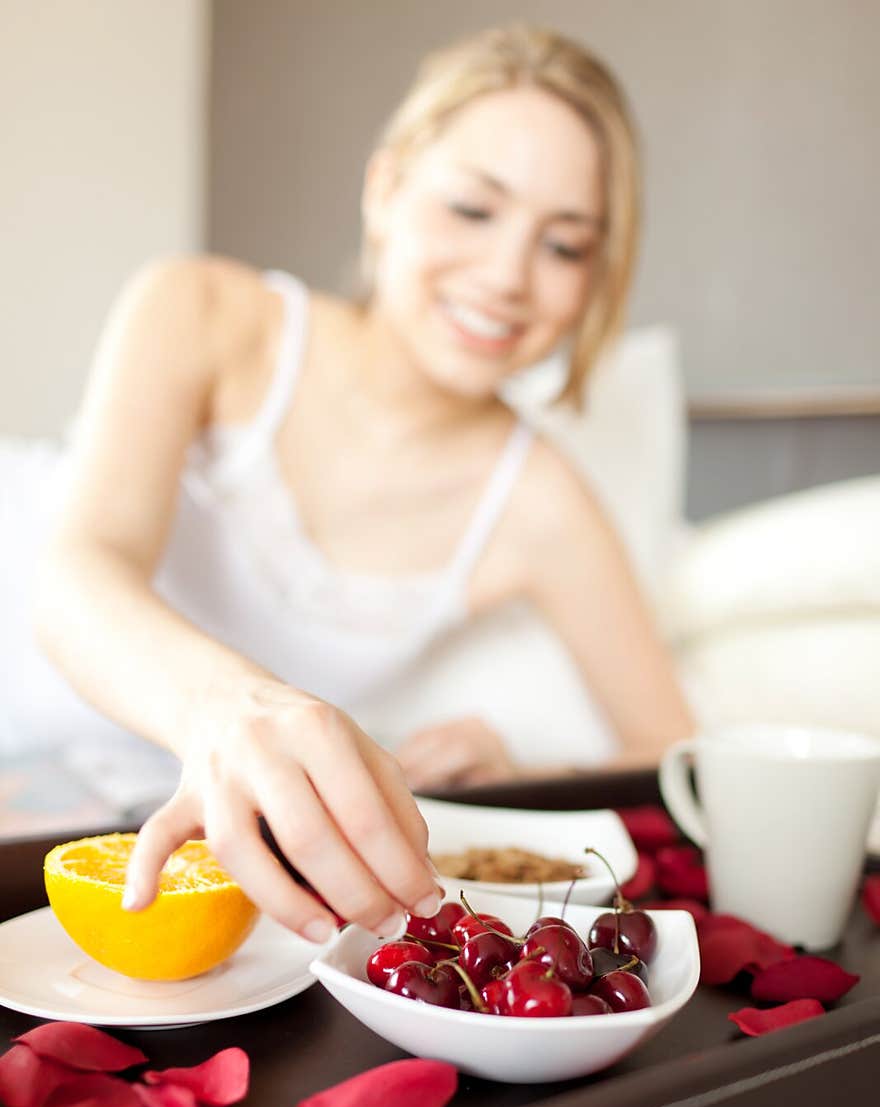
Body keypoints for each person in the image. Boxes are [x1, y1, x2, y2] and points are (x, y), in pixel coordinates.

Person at [34, 24, 694, 944]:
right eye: (473, 209)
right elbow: (74, 572)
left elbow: (670, 752)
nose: (506, 275)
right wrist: (230, 708)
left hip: (218, 880)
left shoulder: (541, 502)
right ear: (385, 190)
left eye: (565, 246)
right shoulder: (202, 312)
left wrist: (523, 774)